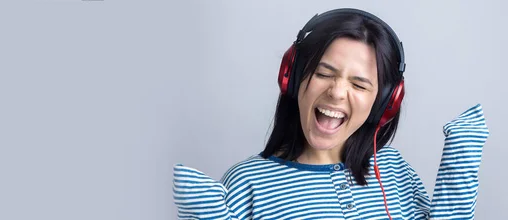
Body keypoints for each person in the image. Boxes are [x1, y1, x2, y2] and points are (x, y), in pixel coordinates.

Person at [173, 8, 488, 220]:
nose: (337, 92)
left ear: (385, 102)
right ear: (293, 77)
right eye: (324, 73)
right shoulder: (248, 182)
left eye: (359, 84)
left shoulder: (393, 171)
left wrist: (460, 164)